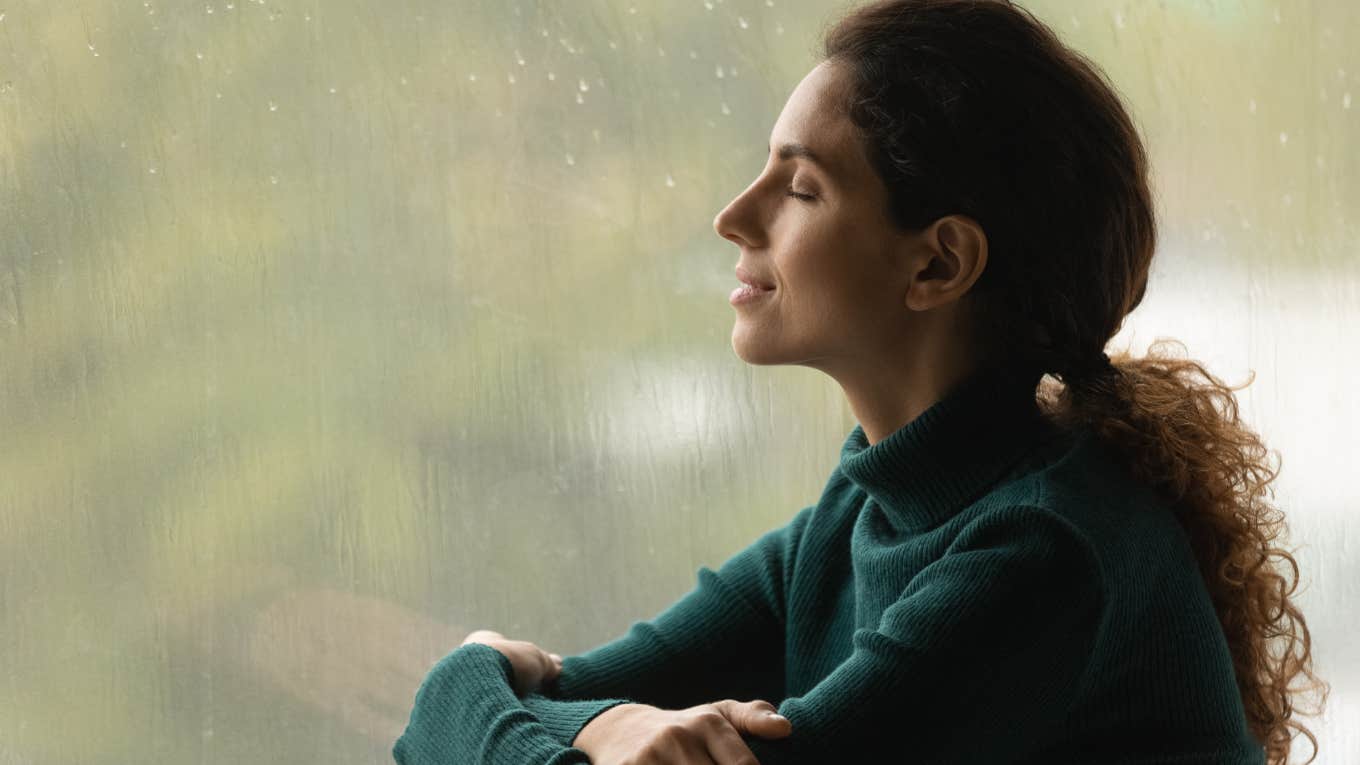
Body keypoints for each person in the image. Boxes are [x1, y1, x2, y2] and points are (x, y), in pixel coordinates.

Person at [393, 1, 1326, 762]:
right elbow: (452, 714)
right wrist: (599, 723)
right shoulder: (860, 513)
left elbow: (484, 705)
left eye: (799, 188)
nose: (732, 216)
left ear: (938, 264)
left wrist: (525, 702)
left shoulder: (1047, 550)